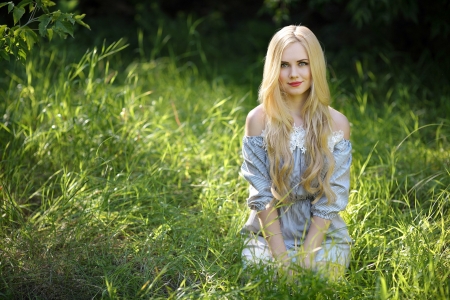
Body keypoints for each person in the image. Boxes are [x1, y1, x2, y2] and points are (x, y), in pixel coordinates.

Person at [240, 25, 352, 279]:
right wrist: (281, 258)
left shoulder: (337, 124)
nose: (294, 74)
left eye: (302, 63)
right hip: (269, 233)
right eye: (284, 65)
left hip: (322, 233)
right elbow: (260, 193)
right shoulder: (258, 120)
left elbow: (331, 196)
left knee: (319, 278)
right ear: (273, 69)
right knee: (265, 277)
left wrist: (307, 254)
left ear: (315, 66)